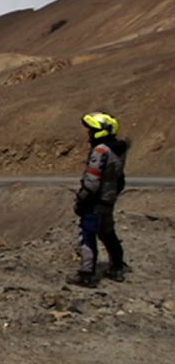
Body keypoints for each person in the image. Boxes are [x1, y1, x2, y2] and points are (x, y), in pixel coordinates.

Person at [68, 112, 130, 288]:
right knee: (107, 232)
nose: (89, 134)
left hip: (95, 201)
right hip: (108, 199)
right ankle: (117, 266)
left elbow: (92, 181)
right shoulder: (119, 150)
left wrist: (81, 200)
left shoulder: (100, 151)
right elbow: (120, 180)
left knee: (87, 235)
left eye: (91, 131)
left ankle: (86, 274)